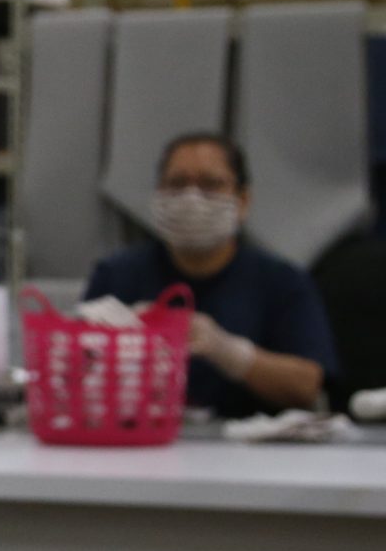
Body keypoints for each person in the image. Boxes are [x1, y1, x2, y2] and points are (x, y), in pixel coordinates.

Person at [84, 132, 338, 419]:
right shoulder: (117, 274)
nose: (191, 199)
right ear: (157, 196)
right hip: (136, 442)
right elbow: (70, 370)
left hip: (251, 451)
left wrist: (231, 353)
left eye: (211, 185)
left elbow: (307, 385)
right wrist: (114, 346)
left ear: (242, 200)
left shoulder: (282, 281)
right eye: (177, 184)